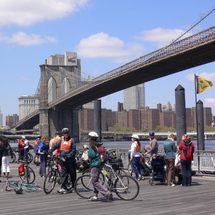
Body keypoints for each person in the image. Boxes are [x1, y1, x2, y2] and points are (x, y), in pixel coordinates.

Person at [49, 128, 76, 194]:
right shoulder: (61, 140)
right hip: (63, 161)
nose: (66, 134)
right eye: (64, 133)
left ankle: (74, 187)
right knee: (64, 174)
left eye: (67, 133)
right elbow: (55, 145)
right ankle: (63, 187)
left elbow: (73, 151)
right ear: (63, 134)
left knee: (72, 174)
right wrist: (50, 151)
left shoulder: (72, 140)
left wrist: (67, 157)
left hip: (70, 161)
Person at [88, 131, 113, 202]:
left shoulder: (92, 146)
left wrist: (88, 158)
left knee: (94, 181)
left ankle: (107, 193)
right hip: (100, 164)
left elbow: (91, 155)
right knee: (96, 179)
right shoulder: (100, 144)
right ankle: (95, 195)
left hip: (95, 164)